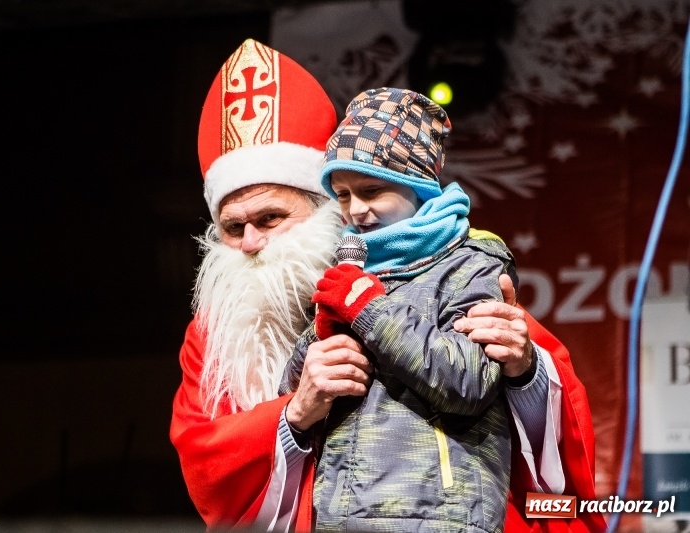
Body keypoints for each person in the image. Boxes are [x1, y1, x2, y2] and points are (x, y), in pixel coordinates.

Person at [169, 38, 605, 533]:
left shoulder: (435, 271)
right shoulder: (216, 336)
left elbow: (549, 423)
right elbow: (208, 465)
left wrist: (523, 370)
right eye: (232, 227)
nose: (250, 243)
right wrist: (296, 414)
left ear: (324, 213)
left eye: (270, 218)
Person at [279, 87, 516, 532]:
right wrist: (314, 348)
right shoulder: (350, 273)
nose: (356, 210)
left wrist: (368, 308)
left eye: (371, 191)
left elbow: (469, 381)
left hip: (436, 516)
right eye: (343, 195)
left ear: (418, 186)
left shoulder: (469, 262)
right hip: (341, 515)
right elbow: (292, 392)